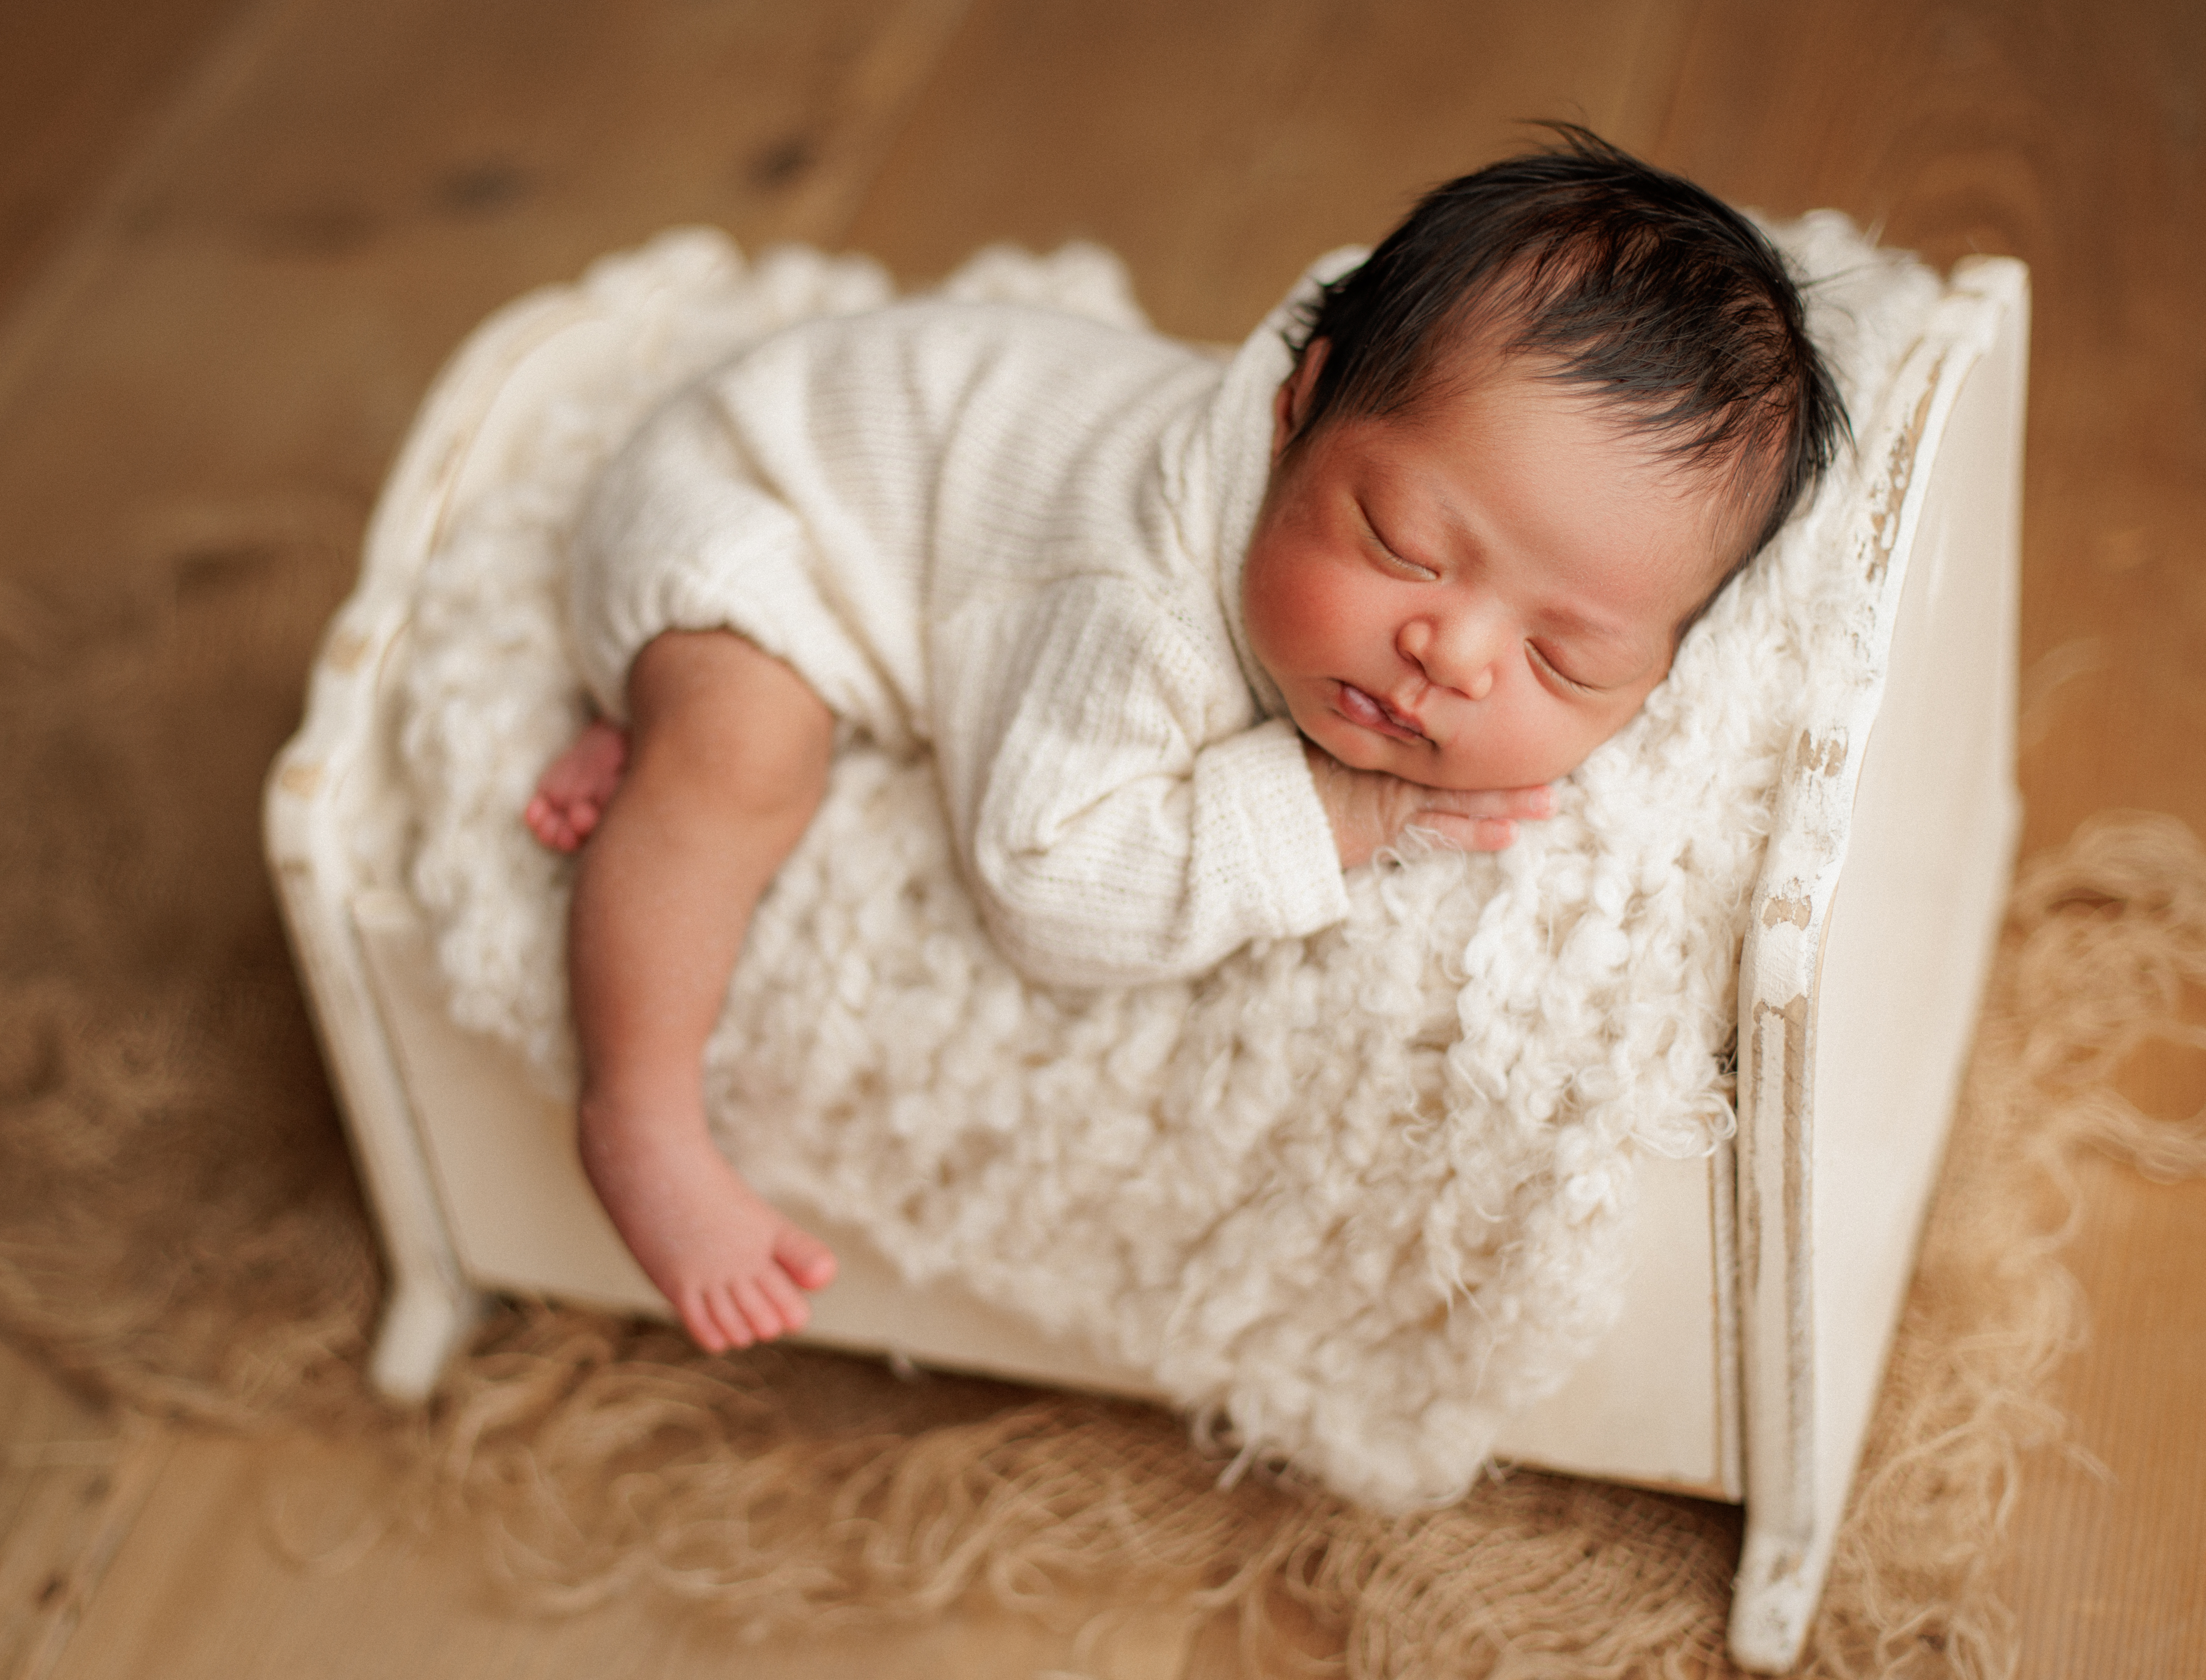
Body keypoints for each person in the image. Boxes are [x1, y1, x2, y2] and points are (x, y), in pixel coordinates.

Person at [522, 127, 1847, 1356]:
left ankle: (649, 710)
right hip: (752, 498)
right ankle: (634, 1109)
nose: (1452, 655)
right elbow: (1042, 887)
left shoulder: (1365, 535)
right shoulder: (1142, 608)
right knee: (748, 759)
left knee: (726, 729)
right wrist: (1335, 812)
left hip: (906, 476)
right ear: (1299, 408)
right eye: (1406, 548)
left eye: (1565, 659)